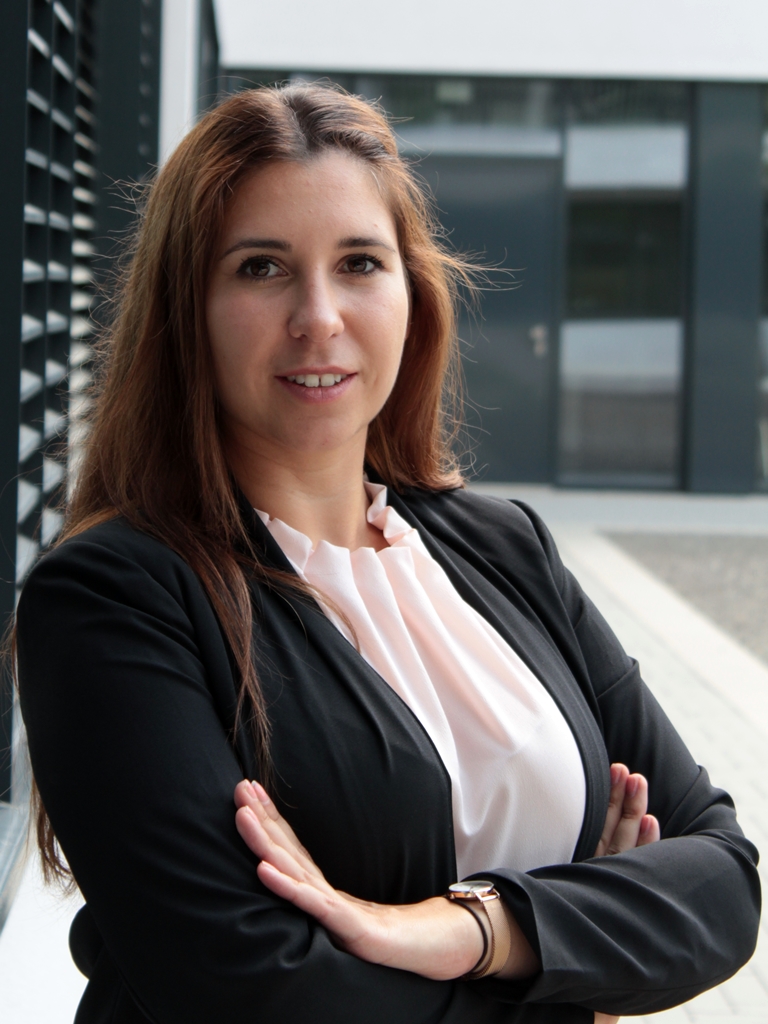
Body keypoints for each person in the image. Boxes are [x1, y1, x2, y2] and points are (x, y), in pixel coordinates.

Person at [15, 83, 759, 1024]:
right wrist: (587, 972)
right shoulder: (113, 596)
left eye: (359, 262)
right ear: (185, 310)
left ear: (412, 292)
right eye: (260, 269)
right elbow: (251, 990)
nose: (318, 316)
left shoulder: (506, 546)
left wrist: (474, 928)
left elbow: (723, 876)